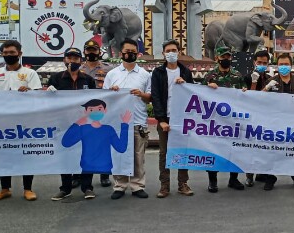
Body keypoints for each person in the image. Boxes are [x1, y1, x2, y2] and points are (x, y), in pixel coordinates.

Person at [0, 40, 43, 201]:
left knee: (26, 153)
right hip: (3, 121)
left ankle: (28, 189)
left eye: (12, 52)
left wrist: (28, 91)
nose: (8, 55)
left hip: (25, 121)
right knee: (4, 155)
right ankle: (5, 189)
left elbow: (37, 95)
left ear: (19, 53)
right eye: (5, 53)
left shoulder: (30, 73)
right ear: (2, 54)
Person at [47, 48, 98, 201]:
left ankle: (87, 187)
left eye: (76, 59)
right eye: (69, 58)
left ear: (81, 61)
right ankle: (65, 188)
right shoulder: (55, 79)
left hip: (85, 124)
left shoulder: (88, 79)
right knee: (65, 156)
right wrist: (47, 93)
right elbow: (49, 102)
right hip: (63, 124)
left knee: (87, 155)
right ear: (64, 60)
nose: (72, 61)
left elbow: (95, 100)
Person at [103, 39, 153, 199]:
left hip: (138, 121)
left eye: (133, 51)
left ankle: (137, 185)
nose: (130, 54)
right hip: (118, 122)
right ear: (120, 53)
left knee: (139, 156)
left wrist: (142, 94)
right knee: (118, 154)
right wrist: (113, 92)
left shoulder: (145, 75)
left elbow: (150, 97)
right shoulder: (112, 74)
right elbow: (104, 98)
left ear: (137, 54)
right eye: (127, 51)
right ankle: (120, 185)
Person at [260, 53, 294, 190]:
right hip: (275, 122)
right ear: (277, 66)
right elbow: (258, 100)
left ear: (291, 65)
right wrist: (266, 88)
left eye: (286, 64)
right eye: (281, 64)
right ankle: (270, 178)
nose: (284, 67)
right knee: (273, 150)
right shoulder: (271, 81)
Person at [151, 40, 195, 198]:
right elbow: (155, 97)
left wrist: (185, 85)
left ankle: (183, 183)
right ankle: (164, 185)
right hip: (165, 118)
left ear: (179, 52)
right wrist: (161, 119)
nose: (171, 53)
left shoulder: (185, 72)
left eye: (174, 50)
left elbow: (193, 94)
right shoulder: (158, 73)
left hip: (182, 119)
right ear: (163, 53)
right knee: (164, 153)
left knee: (182, 151)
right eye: (168, 50)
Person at [201, 47, 247, 193]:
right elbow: (198, 95)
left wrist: (245, 92)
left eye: (228, 57)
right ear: (217, 58)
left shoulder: (237, 75)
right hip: (215, 121)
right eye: (223, 57)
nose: (226, 59)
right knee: (213, 150)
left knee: (234, 149)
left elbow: (244, 96)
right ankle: (212, 181)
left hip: (233, 121)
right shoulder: (210, 76)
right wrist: (207, 87)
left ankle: (233, 179)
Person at [79, 39, 115, 187]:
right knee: (83, 144)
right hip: (82, 111)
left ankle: (104, 174)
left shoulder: (109, 69)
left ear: (99, 52)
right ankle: (78, 176)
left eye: (94, 51)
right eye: (88, 50)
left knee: (102, 143)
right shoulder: (78, 69)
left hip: (102, 110)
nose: (91, 53)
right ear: (84, 52)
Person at [243, 50, 272, 188]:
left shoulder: (269, 79)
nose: (261, 65)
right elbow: (249, 98)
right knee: (251, 147)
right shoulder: (247, 78)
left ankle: (262, 173)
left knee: (264, 147)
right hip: (250, 118)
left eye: (264, 63)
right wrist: (254, 83)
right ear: (254, 62)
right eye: (259, 62)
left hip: (265, 117)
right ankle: (249, 176)